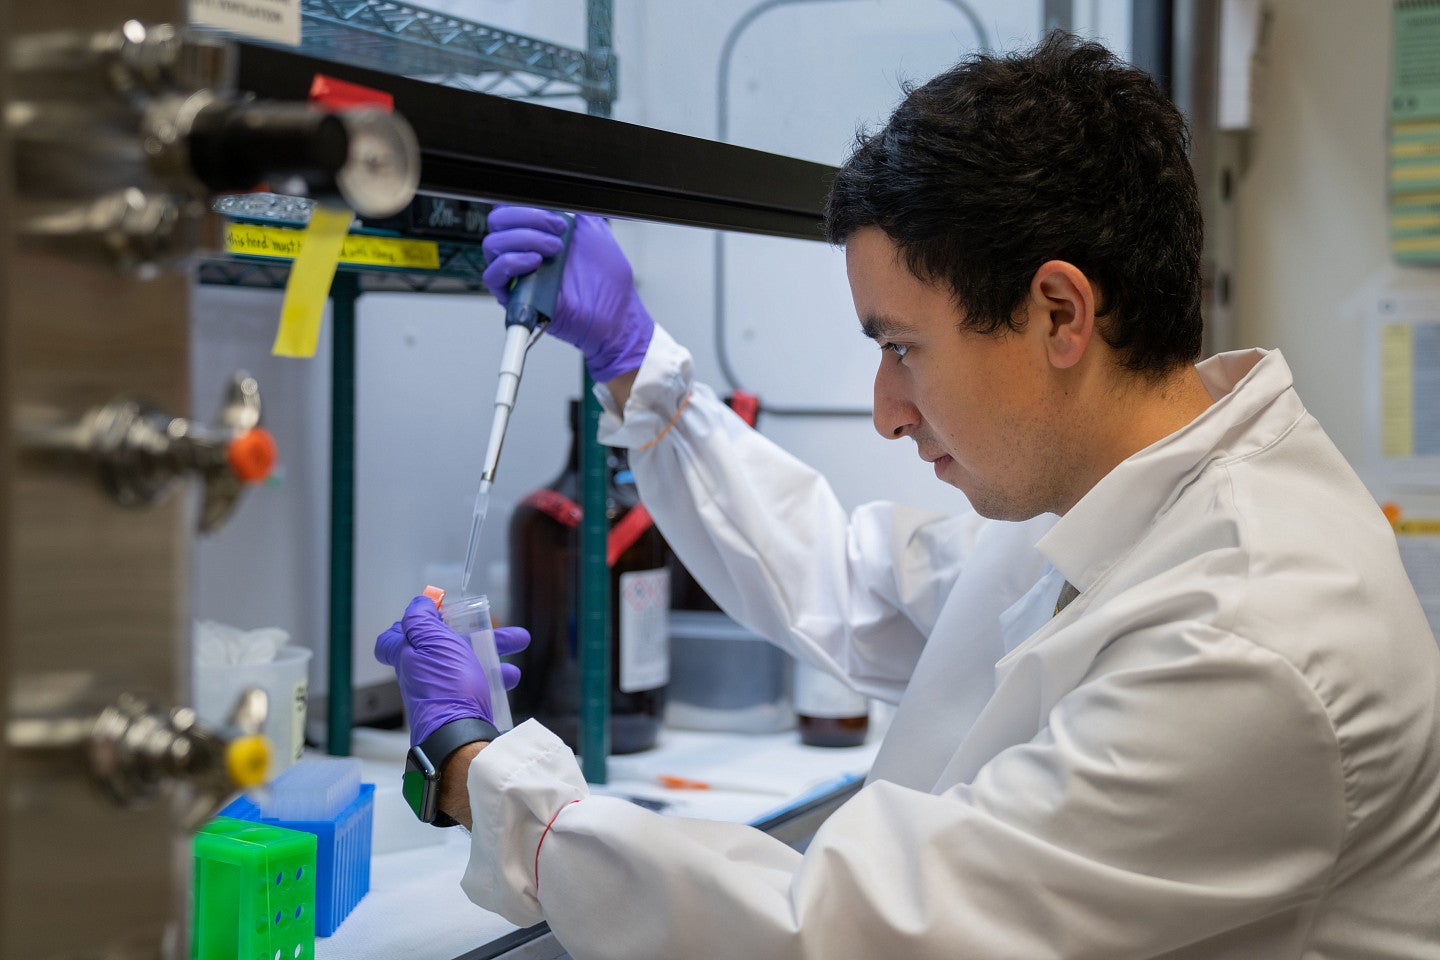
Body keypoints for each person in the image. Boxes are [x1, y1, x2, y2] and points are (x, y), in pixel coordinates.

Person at [375, 32, 1440, 958]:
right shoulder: (1128, 498)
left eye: (902, 348)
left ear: (1060, 314)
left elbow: (839, 933)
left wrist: (476, 772)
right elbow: (856, 583)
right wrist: (636, 363)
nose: (887, 410)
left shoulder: (1253, 638)